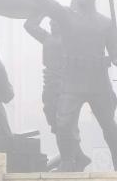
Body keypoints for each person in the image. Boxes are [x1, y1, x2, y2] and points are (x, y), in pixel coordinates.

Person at [12, 0, 117, 172]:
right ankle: (67, 161)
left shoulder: (105, 23)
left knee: (108, 124)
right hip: (72, 80)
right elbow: (49, 5)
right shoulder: (65, 16)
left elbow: (116, 50)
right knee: (63, 123)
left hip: (98, 81)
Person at [23, 14, 91, 171]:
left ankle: (70, 159)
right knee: (53, 121)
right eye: (51, 21)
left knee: (64, 124)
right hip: (50, 85)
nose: (52, 24)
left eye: (56, 21)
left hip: (65, 87)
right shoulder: (46, 37)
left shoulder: (70, 40)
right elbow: (29, 26)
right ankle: (79, 156)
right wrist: (40, 9)